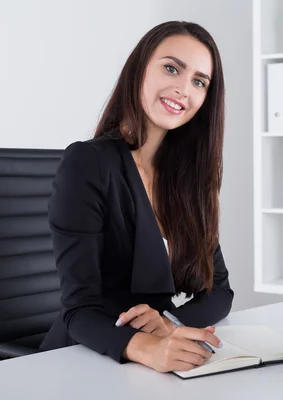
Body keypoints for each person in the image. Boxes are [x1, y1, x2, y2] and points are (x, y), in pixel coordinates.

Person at [39, 20, 234, 373]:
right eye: (172, 68)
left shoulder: (189, 181)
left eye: (199, 81)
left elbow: (220, 291)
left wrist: (168, 321)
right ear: (139, 68)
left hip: (147, 366)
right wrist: (148, 349)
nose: (183, 89)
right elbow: (78, 310)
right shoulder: (88, 163)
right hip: (83, 359)